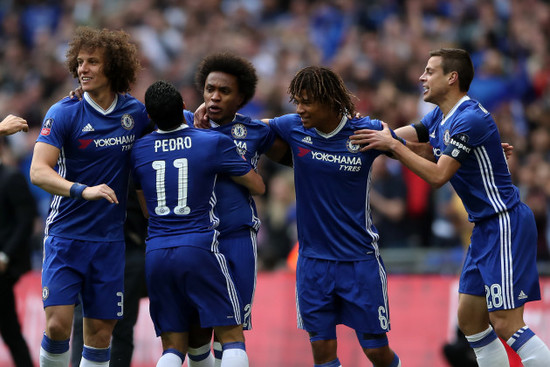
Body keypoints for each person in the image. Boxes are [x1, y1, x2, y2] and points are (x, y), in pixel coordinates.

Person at [351, 48, 550, 367]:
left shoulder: (468, 118)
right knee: (470, 320)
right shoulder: (441, 117)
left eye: (430, 71)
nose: (421, 77)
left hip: (504, 223)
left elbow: (437, 174)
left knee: (506, 323)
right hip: (484, 228)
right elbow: (405, 139)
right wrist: (364, 138)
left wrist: (389, 145)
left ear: (451, 78)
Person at [29, 26, 151, 367]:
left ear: (112, 67)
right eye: (80, 62)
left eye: (93, 62)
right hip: (65, 236)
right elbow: (38, 171)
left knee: (100, 334)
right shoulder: (63, 112)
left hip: (111, 243)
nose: (83, 68)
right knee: (57, 326)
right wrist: (83, 191)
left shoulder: (136, 115)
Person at [265, 66, 402, 367]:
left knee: (377, 353)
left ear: (329, 101)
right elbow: (251, 129)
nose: (299, 109)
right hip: (313, 264)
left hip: (359, 262)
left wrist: (469, 151)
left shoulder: (365, 131)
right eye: (296, 101)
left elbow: (415, 146)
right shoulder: (293, 127)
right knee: (323, 355)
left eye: (306, 101)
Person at [130, 80, 265, 367]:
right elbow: (257, 186)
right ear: (184, 108)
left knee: (173, 349)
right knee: (231, 335)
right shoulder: (212, 142)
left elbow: (146, 210)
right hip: (200, 246)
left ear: (150, 117)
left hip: (156, 253)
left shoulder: (139, 150)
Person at [184, 52, 286, 366]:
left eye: (224, 91)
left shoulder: (256, 131)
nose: (215, 96)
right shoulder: (183, 124)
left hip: (237, 237)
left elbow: (296, 155)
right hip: (196, 239)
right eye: (210, 89)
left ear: (241, 98)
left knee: (232, 326)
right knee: (198, 331)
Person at [70, 177, 148, 367]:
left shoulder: (133, 163)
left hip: (128, 251)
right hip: (90, 248)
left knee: (121, 325)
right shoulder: (86, 161)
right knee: (83, 321)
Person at [0, 137, 36, 367]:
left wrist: (5, 255)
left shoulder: (11, 178)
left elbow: (25, 222)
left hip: (3, 268)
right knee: (10, 329)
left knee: (9, 329)